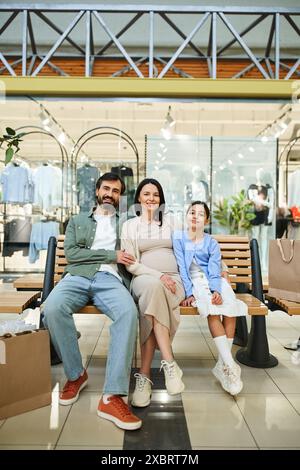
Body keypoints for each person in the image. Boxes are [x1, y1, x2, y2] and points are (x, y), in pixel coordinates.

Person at [42, 172, 142, 431]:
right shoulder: (77, 220)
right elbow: (73, 255)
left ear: (120, 196)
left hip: (110, 279)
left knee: (128, 313)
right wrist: (111, 254)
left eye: (116, 191)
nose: (110, 193)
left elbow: (130, 254)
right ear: (97, 191)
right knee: (52, 308)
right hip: (76, 277)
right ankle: (76, 375)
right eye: (106, 188)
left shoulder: (126, 223)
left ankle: (112, 396)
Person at [121, 178, 185, 407]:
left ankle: (145, 376)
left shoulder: (173, 222)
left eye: (155, 195)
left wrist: (192, 285)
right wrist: (159, 276)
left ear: (161, 199)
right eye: (146, 194)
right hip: (144, 278)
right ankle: (169, 363)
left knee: (151, 304)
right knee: (152, 290)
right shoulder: (129, 225)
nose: (151, 198)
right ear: (138, 197)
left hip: (174, 281)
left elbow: (187, 255)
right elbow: (130, 264)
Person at [172, 201, 247, 396]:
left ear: (206, 220)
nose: (195, 216)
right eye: (191, 212)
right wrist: (188, 293)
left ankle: (223, 366)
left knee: (229, 309)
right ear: (186, 216)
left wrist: (217, 291)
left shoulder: (211, 242)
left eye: (200, 214)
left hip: (214, 281)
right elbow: (182, 269)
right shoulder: (179, 238)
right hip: (196, 283)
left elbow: (215, 268)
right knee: (213, 312)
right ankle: (229, 366)